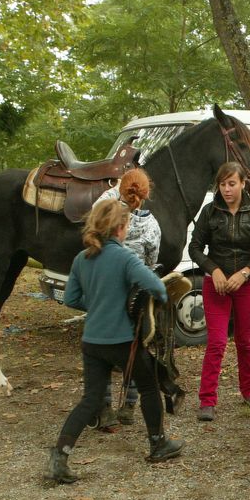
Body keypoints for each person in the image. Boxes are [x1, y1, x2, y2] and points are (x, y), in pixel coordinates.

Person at [46, 199, 183, 484]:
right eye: (127, 225)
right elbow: (157, 286)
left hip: (91, 340)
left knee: (90, 399)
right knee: (148, 387)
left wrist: (97, 304)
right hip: (122, 341)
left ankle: (60, 454)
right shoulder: (125, 258)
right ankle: (158, 444)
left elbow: (71, 299)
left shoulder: (82, 259)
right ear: (121, 228)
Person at [89, 168, 176, 428]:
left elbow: (92, 234)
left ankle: (103, 409)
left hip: (105, 288)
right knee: (136, 349)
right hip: (135, 295)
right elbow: (151, 260)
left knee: (101, 353)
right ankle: (128, 406)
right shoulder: (152, 225)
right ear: (146, 193)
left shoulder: (103, 208)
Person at [188, 161, 250, 421]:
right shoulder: (209, 212)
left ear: (243, 184)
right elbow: (194, 248)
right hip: (216, 286)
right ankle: (207, 400)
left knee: (245, 342)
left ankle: (249, 392)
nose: (226, 189)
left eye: (231, 183)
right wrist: (213, 271)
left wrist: (245, 272)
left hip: (247, 285)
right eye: (222, 184)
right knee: (216, 342)